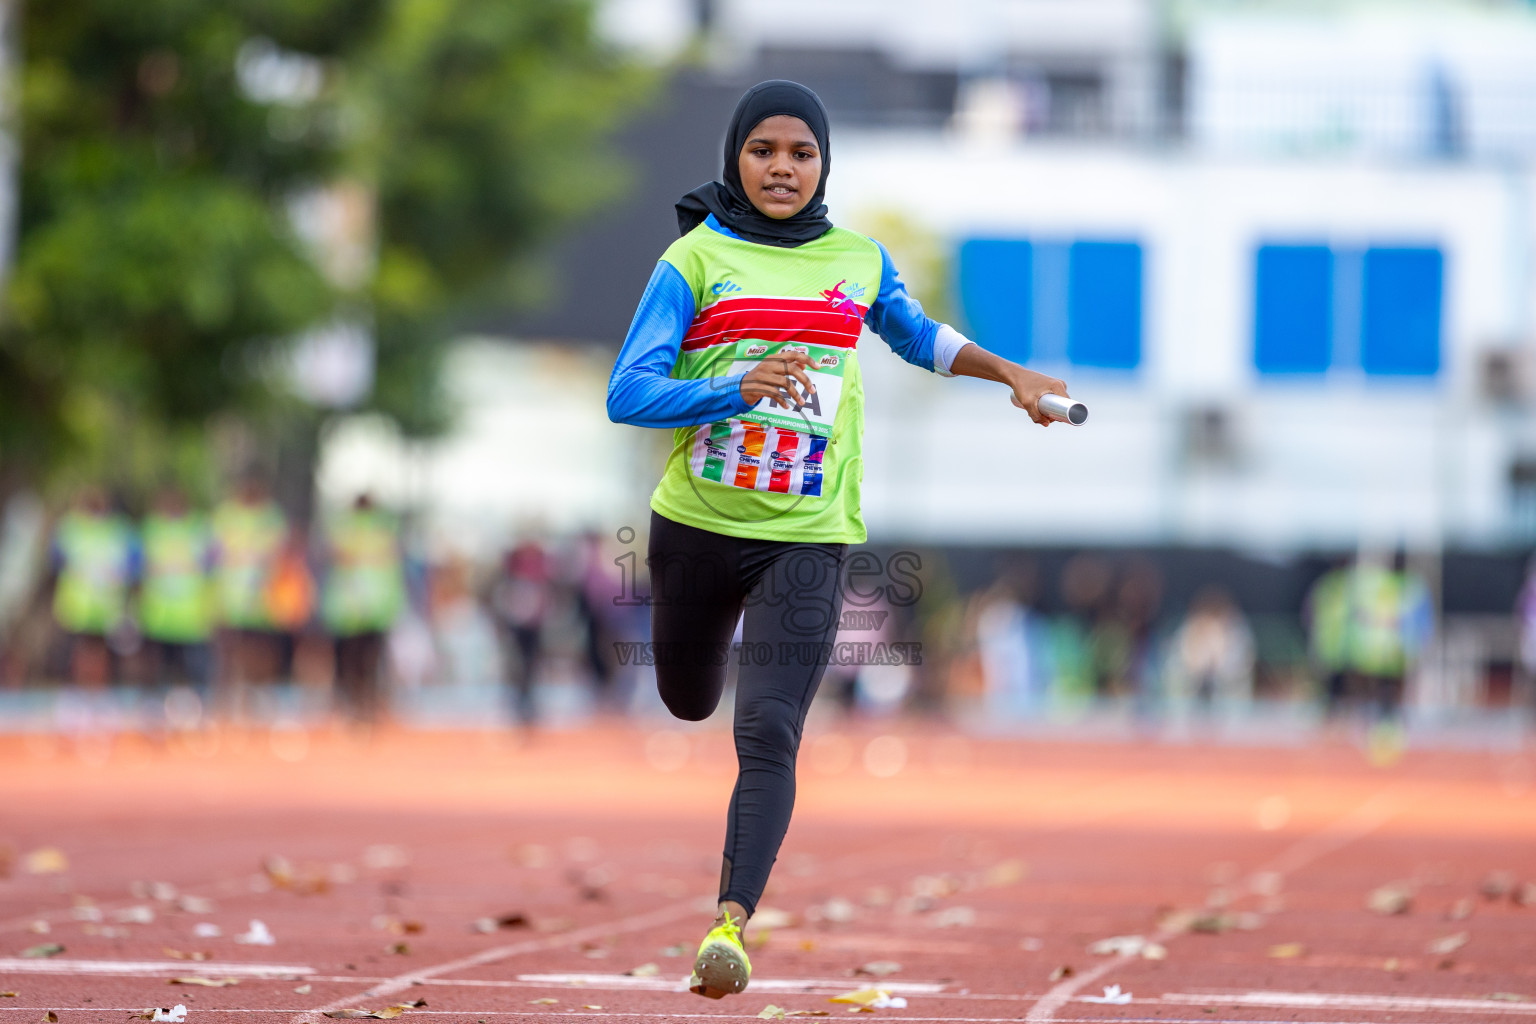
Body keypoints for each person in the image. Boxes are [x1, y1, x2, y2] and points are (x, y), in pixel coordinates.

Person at [605, 80, 1073, 999]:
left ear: (824, 165)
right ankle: (699, 684)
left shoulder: (857, 260)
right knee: (690, 701)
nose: (783, 168)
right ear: (735, 159)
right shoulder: (693, 262)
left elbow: (916, 335)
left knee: (769, 726)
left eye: (802, 153)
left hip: (810, 537)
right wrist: (738, 385)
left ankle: (729, 924)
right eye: (764, 151)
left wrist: (1007, 373)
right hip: (697, 529)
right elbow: (629, 391)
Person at [320, 494, 405, 725]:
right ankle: (365, 707)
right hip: (371, 610)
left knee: (351, 664)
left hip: (350, 610)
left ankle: (357, 708)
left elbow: (336, 557)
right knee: (369, 664)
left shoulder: (344, 529)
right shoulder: (384, 531)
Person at [138, 486, 216, 717]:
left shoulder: (199, 530)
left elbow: (212, 568)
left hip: (190, 616)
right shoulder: (151, 529)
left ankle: (192, 709)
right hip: (158, 615)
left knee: (193, 668)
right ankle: (154, 708)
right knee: (156, 666)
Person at [50, 487, 135, 687]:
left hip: (106, 604)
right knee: (78, 651)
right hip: (77, 604)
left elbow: (132, 565)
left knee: (103, 652)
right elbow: (56, 561)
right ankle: (80, 691)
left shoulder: (119, 530)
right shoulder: (70, 527)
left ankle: (99, 692)